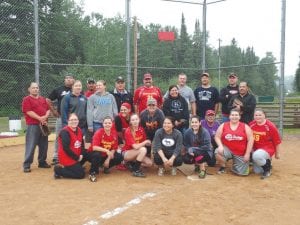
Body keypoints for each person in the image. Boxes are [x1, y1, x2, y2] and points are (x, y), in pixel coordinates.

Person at [22, 82, 51, 172]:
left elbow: (48, 110)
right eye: (33, 88)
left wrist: (45, 117)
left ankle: (42, 162)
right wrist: (40, 118)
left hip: (43, 124)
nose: (35, 89)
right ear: (29, 89)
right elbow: (28, 111)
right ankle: (27, 164)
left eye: (37, 88)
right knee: (31, 145)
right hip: (33, 125)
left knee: (44, 145)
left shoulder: (42, 99)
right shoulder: (27, 99)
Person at [214, 109, 254, 176]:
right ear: (229, 116)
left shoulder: (245, 126)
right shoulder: (223, 125)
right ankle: (223, 166)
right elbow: (217, 137)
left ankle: (235, 165)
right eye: (232, 115)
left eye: (236, 115)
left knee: (242, 174)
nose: (234, 117)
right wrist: (220, 146)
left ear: (239, 117)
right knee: (217, 151)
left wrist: (247, 154)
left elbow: (251, 140)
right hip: (227, 149)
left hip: (241, 152)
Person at [47, 74, 74, 165]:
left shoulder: (77, 90)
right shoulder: (59, 90)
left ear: (73, 80)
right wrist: (54, 111)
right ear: (64, 80)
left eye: (70, 78)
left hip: (73, 119)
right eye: (67, 78)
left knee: (73, 137)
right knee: (59, 136)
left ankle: (72, 154)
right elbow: (48, 100)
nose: (69, 80)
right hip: (61, 117)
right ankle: (56, 156)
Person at [249, 108, 281, 179]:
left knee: (256, 155)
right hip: (256, 149)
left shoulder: (270, 126)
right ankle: (267, 161)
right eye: (256, 115)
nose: (258, 117)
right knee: (257, 171)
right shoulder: (251, 124)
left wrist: (277, 153)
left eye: (260, 115)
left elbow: (277, 141)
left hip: (267, 148)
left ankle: (267, 169)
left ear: (264, 115)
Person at [88, 116, 123, 181]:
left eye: (109, 123)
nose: (107, 125)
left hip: (105, 155)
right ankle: (92, 173)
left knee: (119, 157)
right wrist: (106, 150)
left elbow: (114, 148)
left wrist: (108, 159)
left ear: (112, 124)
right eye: (105, 123)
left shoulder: (114, 133)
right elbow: (94, 147)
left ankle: (105, 167)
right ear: (102, 124)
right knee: (97, 154)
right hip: (93, 154)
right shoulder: (99, 132)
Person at [54, 113, 85, 179]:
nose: (74, 121)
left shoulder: (79, 130)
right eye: (71, 120)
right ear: (68, 121)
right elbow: (66, 148)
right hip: (67, 157)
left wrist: (81, 154)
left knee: (88, 154)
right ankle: (58, 170)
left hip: (76, 155)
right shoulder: (65, 132)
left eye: (75, 119)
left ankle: (75, 167)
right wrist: (77, 158)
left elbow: (82, 144)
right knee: (81, 174)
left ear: (78, 121)